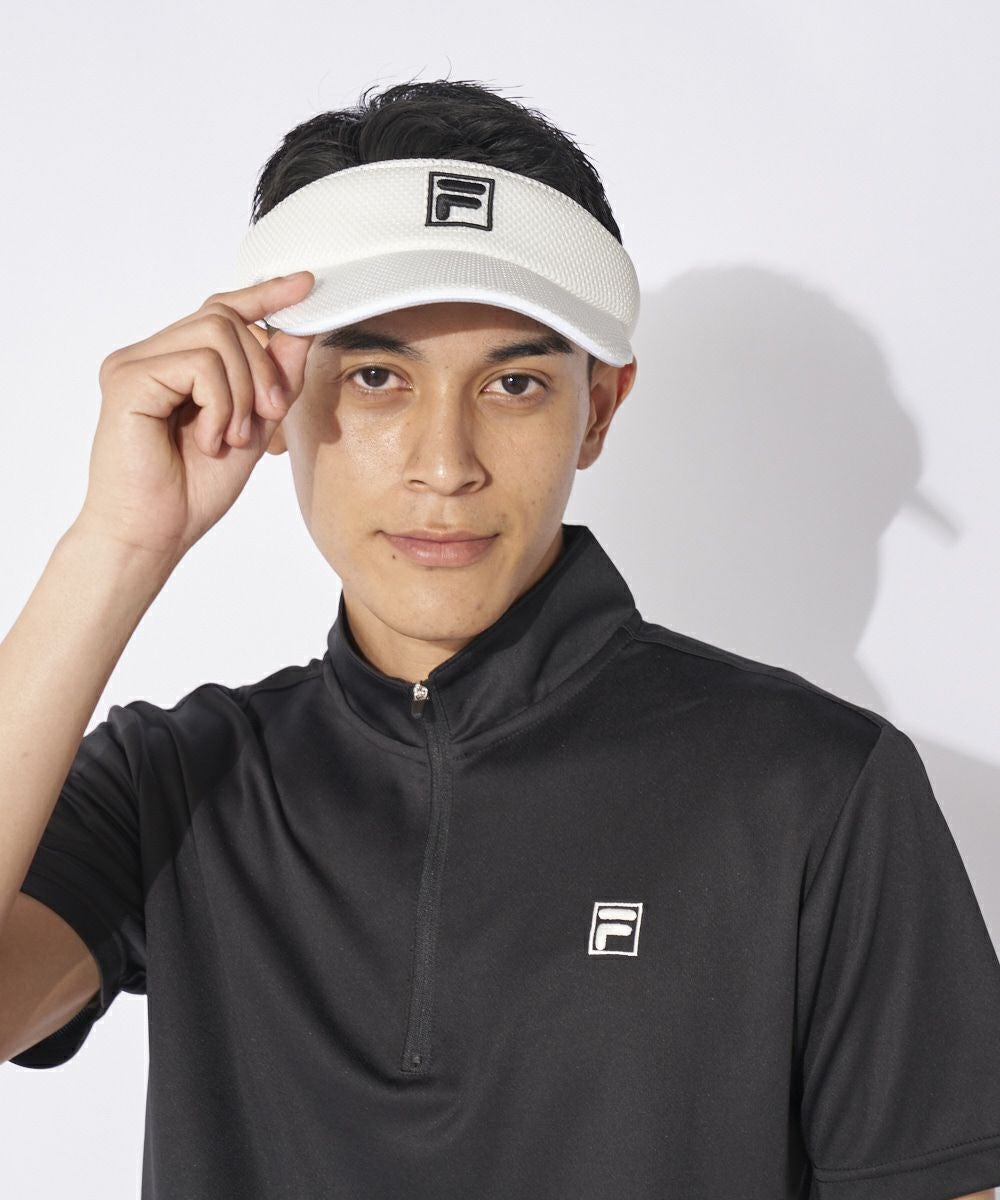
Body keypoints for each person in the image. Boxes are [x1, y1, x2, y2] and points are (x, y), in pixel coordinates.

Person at [0, 77, 998, 1200]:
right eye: (377, 377)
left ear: (599, 410)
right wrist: (119, 542)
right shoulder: (175, 783)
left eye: (514, 382)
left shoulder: (816, 789)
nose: (445, 463)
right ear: (273, 397)